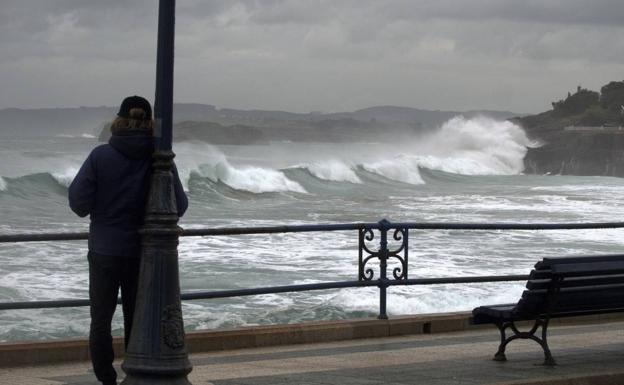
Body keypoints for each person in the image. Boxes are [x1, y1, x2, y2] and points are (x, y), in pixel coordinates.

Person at [68, 95, 188, 385]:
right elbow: (179, 205)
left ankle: (106, 379)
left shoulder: (100, 156)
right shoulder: (159, 158)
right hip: (142, 253)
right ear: (150, 124)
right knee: (137, 317)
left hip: (104, 249)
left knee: (101, 320)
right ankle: (136, 371)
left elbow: (78, 203)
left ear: (119, 120)